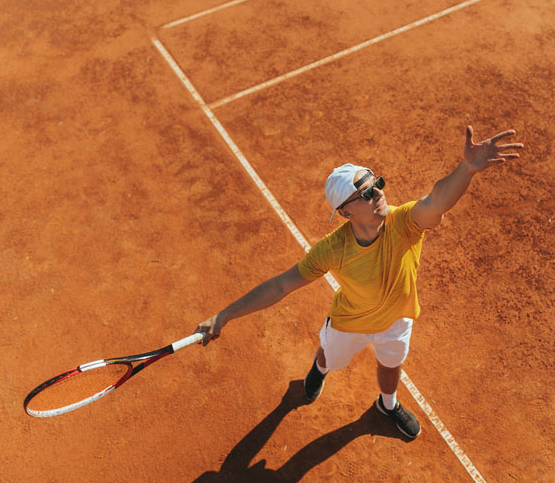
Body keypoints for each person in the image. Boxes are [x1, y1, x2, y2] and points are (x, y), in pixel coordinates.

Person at [195, 126, 523, 439]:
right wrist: (224, 315)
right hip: (349, 323)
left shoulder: (405, 222)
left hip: (396, 319)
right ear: (345, 213)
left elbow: (436, 200)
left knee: (391, 365)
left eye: (376, 182)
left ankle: (387, 405)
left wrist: (466, 169)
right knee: (329, 358)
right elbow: (281, 286)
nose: (378, 192)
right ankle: (319, 367)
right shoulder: (332, 249)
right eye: (365, 192)